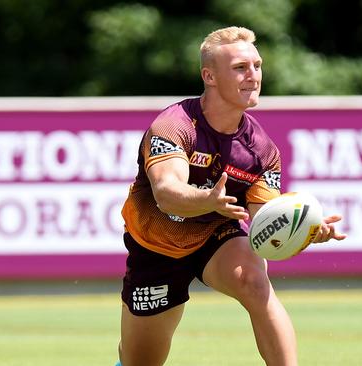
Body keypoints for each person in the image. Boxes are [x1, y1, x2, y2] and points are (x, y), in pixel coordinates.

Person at [117, 26, 347, 366]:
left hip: (219, 234)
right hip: (156, 246)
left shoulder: (261, 149)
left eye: (257, 66)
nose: (253, 76)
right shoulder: (174, 125)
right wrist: (207, 199)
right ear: (209, 75)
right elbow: (167, 193)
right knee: (140, 362)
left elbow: (266, 213)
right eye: (240, 67)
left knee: (255, 282)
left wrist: (306, 227)